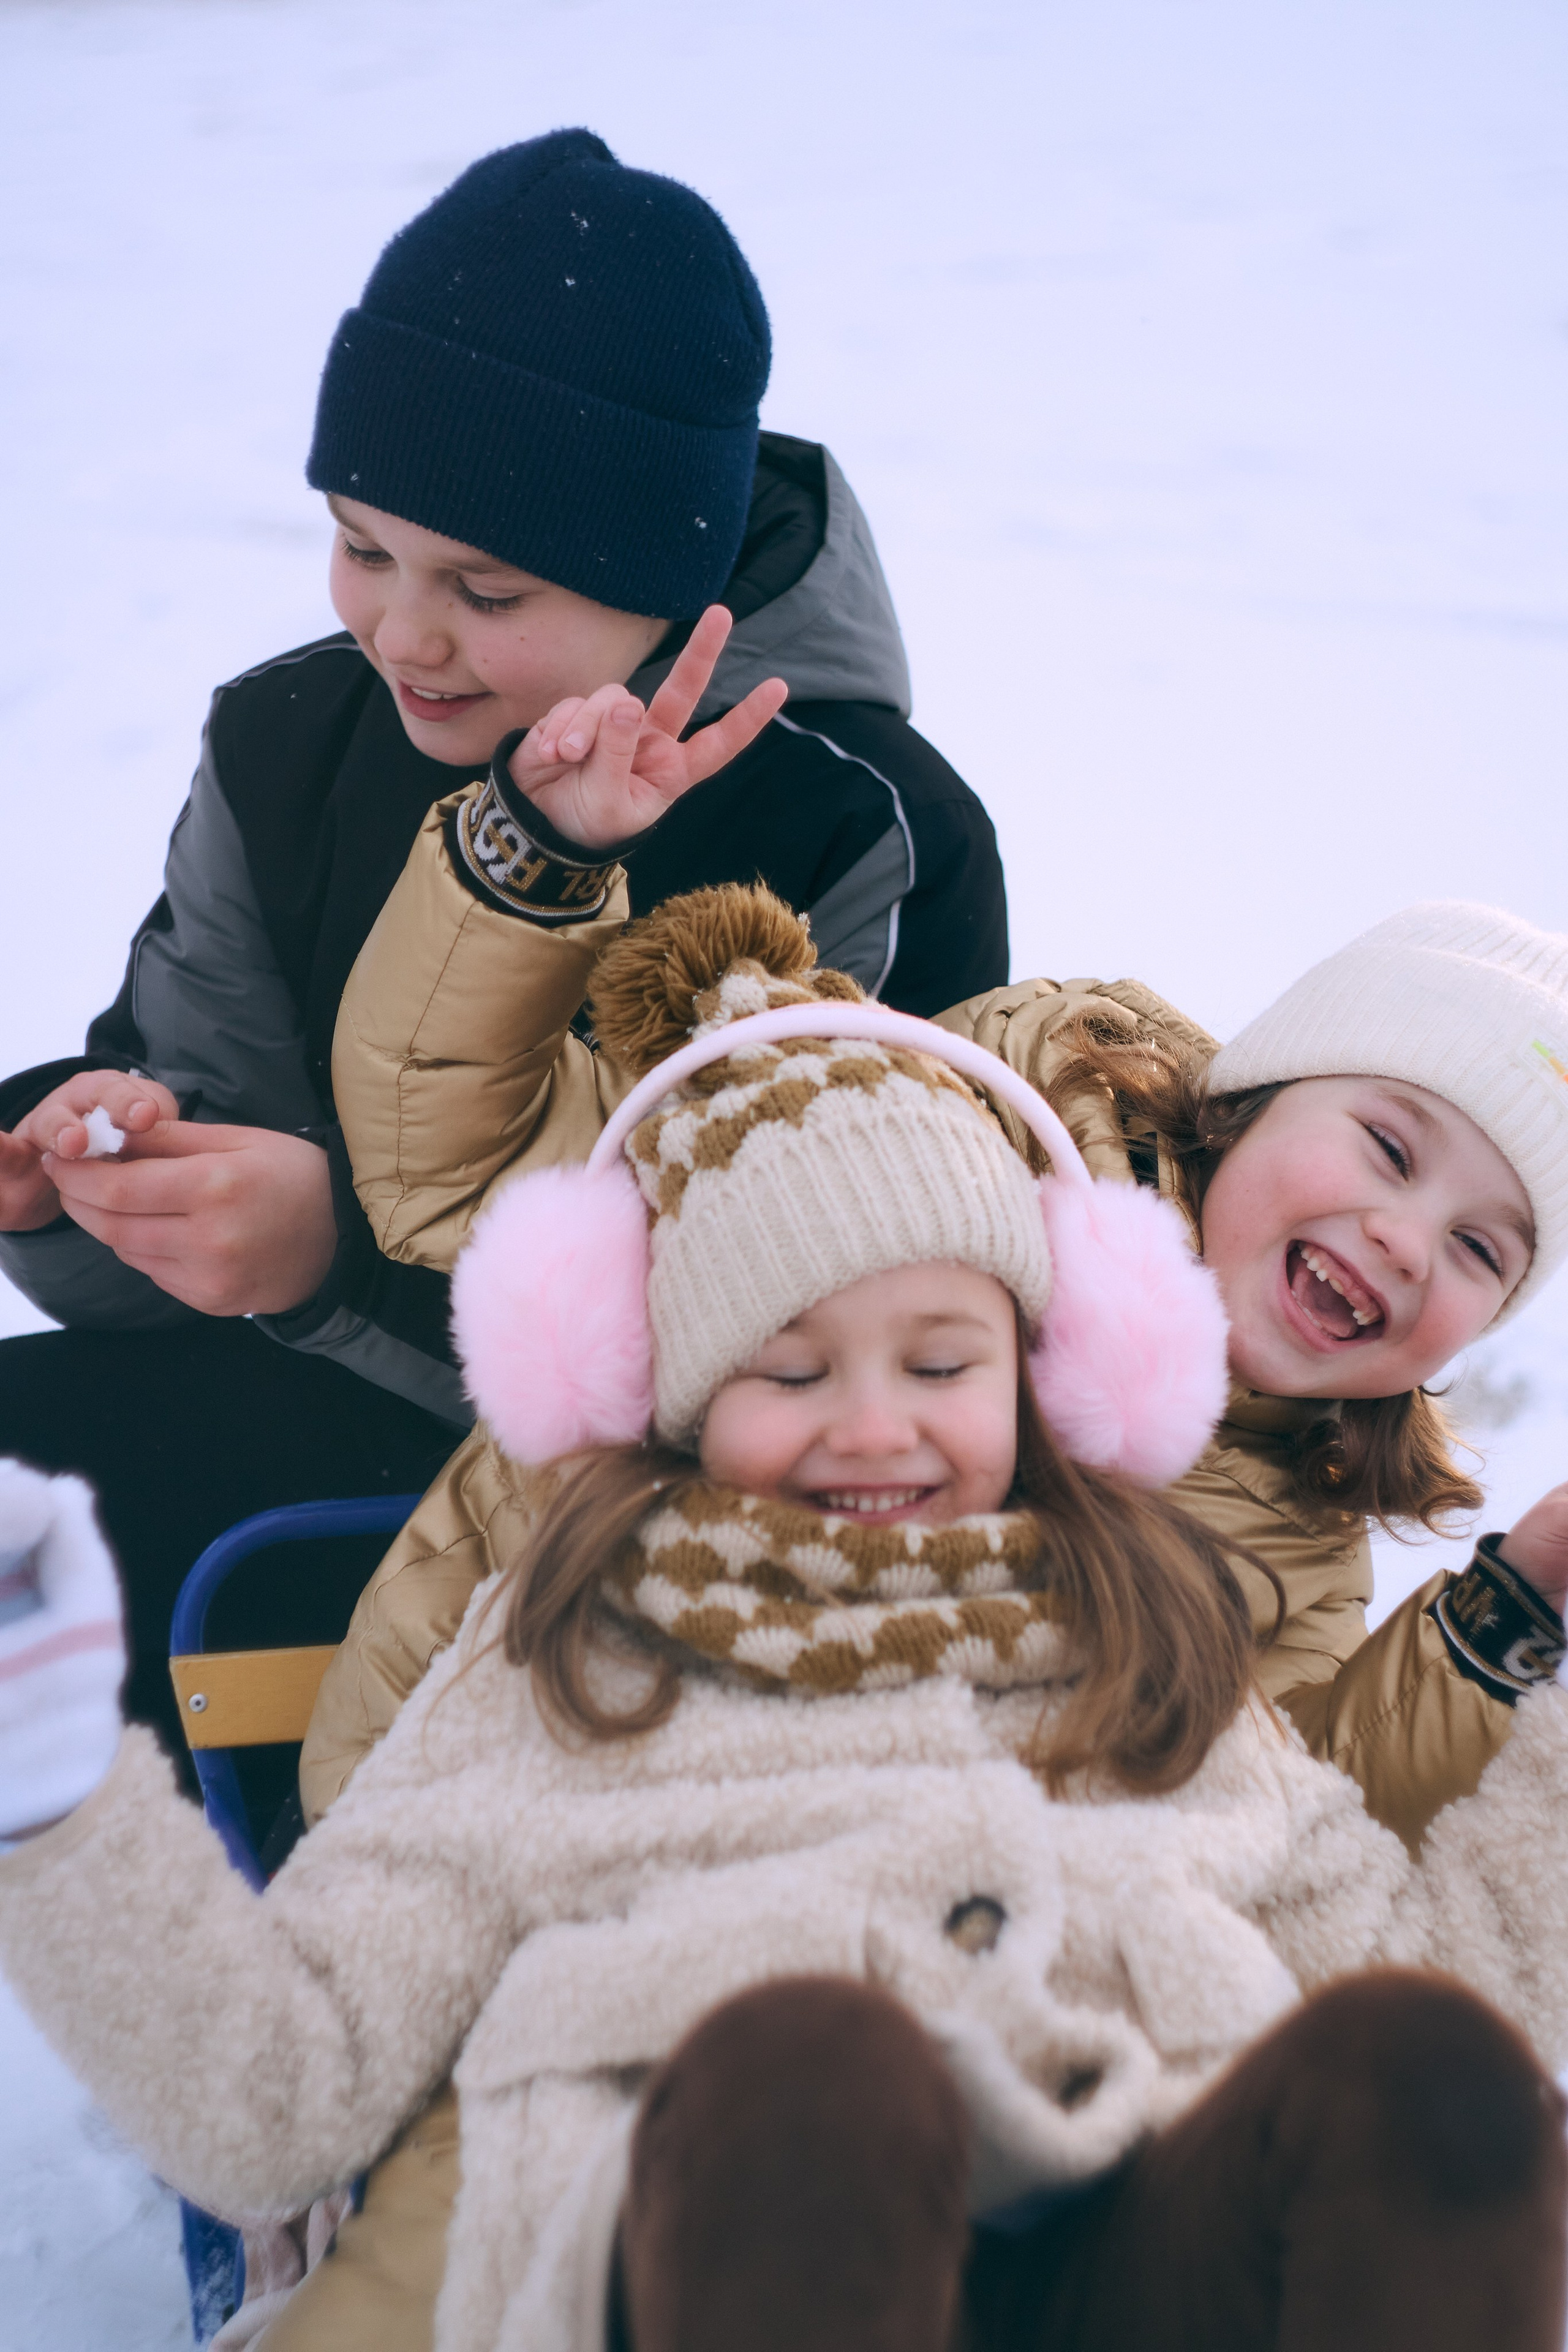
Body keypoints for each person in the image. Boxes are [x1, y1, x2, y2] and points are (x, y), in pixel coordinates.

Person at [2, 897, 1566, 2352]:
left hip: (1094, 2211)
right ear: (672, 1400)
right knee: (815, 2071)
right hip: (713, 2205)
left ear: (1059, 1386)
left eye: (945, 1368)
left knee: (1424, 2084)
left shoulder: (1162, 1662)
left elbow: (1434, 1977)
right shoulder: (582, 1668)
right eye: (791, 1372)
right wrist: (56, 1791)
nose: (872, 1429)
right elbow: (278, 2078)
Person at [0, 128, 1006, 1763]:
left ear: (665, 577)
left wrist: (328, 1264)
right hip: (315, 1411)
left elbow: (792, 1359)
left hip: (674, 1550)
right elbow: (201, 1106)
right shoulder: (292, 747)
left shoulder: (857, 829)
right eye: (362, 545)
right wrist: (89, 1185)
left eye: (486, 584)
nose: (401, 631)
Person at [305, 725, 1568, 1854]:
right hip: (475, 1792)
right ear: (1247, 1100)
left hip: (826, 1928)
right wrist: (532, 857)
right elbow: (453, 1155)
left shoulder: (1304, 1526)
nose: (1407, 1242)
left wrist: (1493, 1632)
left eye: (1480, 1250)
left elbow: (1278, 1836)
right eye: (1389, 1150)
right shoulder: (920, 1144)